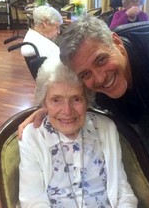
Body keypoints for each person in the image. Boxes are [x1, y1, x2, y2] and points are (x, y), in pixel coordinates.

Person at [19, 15, 149, 208]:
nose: (100, 78)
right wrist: (47, 105)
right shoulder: (93, 74)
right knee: (144, 167)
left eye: (101, 60)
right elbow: (66, 83)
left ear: (117, 43)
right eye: (86, 74)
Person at [18, 57, 138, 207]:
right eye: (56, 100)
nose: (67, 111)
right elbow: (32, 201)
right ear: (44, 103)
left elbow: (123, 192)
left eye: (76, 99)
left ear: (87, 100)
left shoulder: (106, 128)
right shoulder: (33, 137)